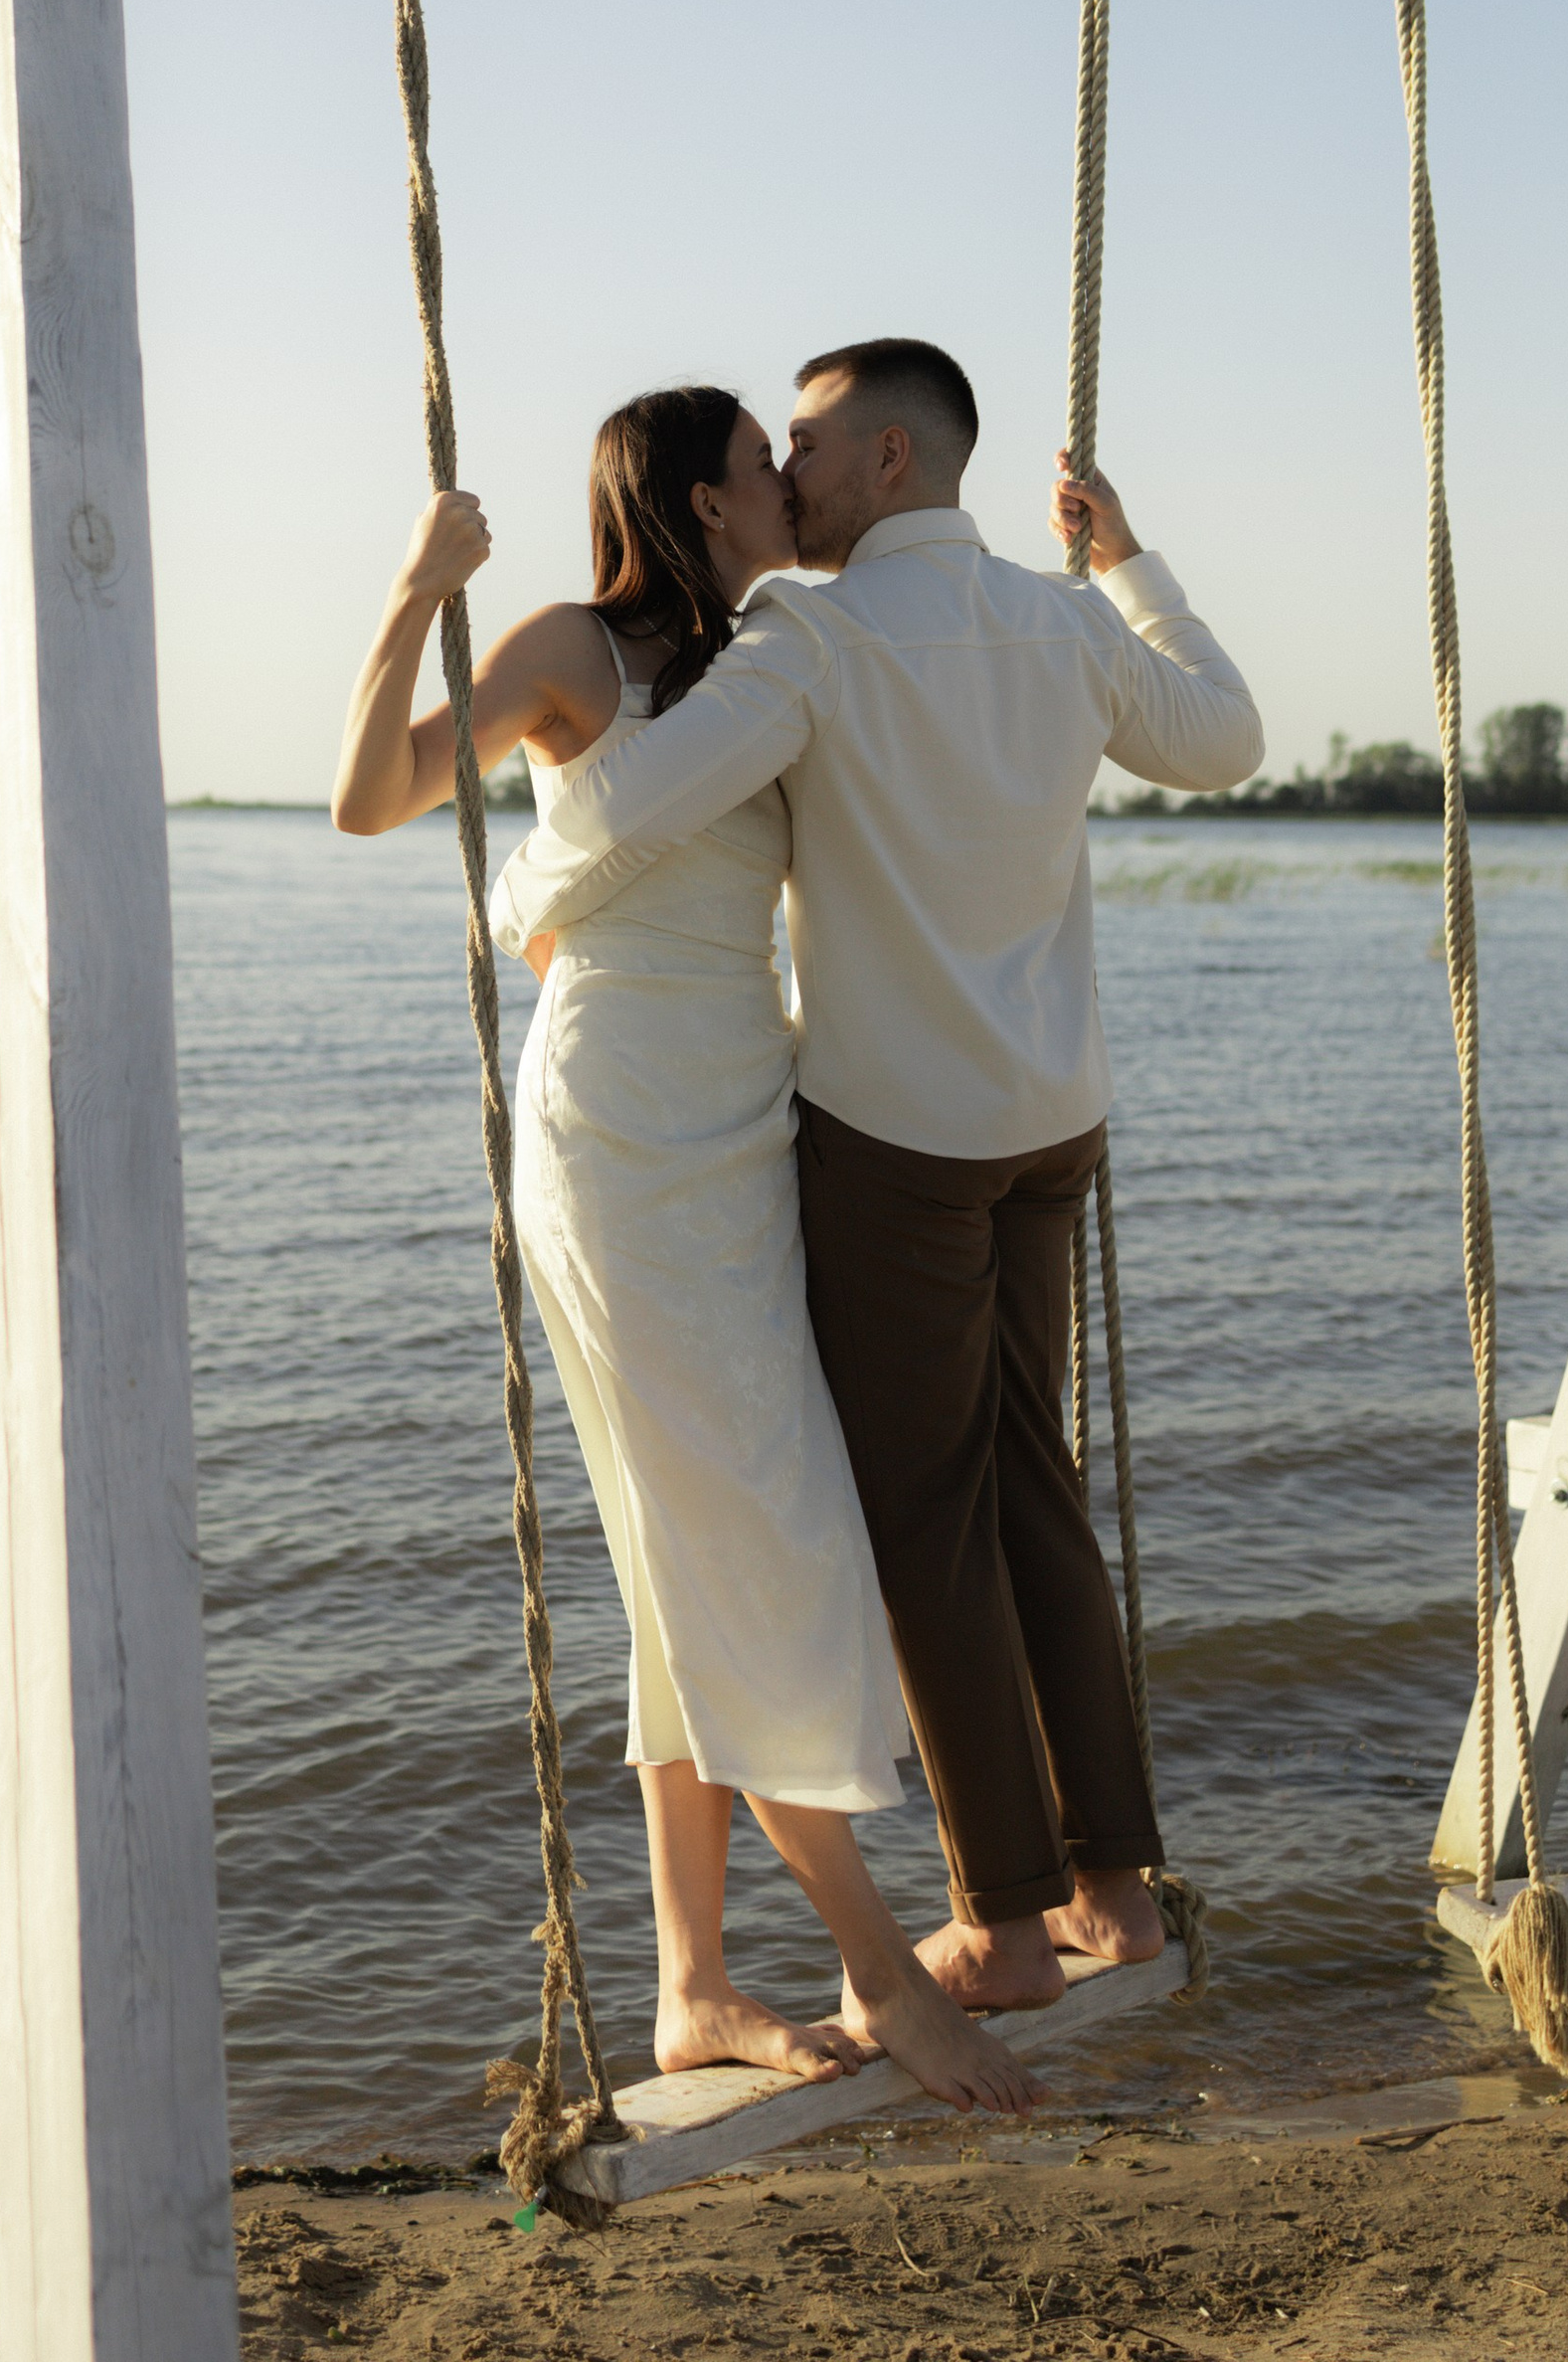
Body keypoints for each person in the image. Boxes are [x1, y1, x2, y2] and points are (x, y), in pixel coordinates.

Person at [489, 339, 1262, 2019]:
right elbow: (1227, 738)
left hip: (900, 1149)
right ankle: (1115, 1894)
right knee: (1034, 1487)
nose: (796, 477)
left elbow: (634, 808)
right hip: (1054, 1128)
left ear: (896, 461)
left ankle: (996, 1924)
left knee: (927, 1522)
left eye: (817, 446)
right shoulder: (1067, 622)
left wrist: (522, 892)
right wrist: (1129, 562)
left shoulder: (809, 636)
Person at [333, 383, 1037, 2114]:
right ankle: (881, 1972)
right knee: (755, 1541)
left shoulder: (778, 663)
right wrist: (423, 590)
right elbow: (373, 797)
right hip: (618, 1141)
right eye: (761, 464)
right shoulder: (582, 648)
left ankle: (696, 1990)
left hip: (746, 1123)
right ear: (703, 502)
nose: (791, 483)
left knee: (694, 1552)